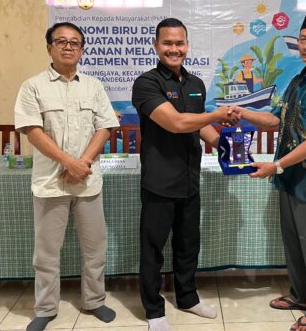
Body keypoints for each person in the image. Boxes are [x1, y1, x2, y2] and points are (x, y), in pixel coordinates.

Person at [228, 13, 306, 331]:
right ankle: (300, 295)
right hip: (289, 177)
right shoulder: (297, 81)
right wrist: (243, 112)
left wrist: (277, 164)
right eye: (303, 38)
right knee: (293, 241)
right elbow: (276, 119)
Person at [131, 18, 236, 331]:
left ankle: (188, 297)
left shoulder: (195, 84)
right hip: (160, 182)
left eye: (179, 43)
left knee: (189, 244)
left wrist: (226, 147)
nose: (174, 49)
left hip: (190, 180)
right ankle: (154, 310)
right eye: (167, 43)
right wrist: (217, 114)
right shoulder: (146, 84)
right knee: (153, 249)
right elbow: (176, 123)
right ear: (156, 46)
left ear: (187, 45)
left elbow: (199, 126)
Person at [14, 22, 120, 331]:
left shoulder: (93, 86)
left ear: (82, 49)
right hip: (50, 183)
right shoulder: (33, 86)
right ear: (49, 47)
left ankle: (95, 301)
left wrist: (82, 163)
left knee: (95, 248)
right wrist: (67, 163)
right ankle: (46, 308)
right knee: (46, 253)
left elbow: (105, 126)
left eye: (75, 42)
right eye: (61, 41)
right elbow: (32, 131)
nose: (68, 46)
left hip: (87, 182)